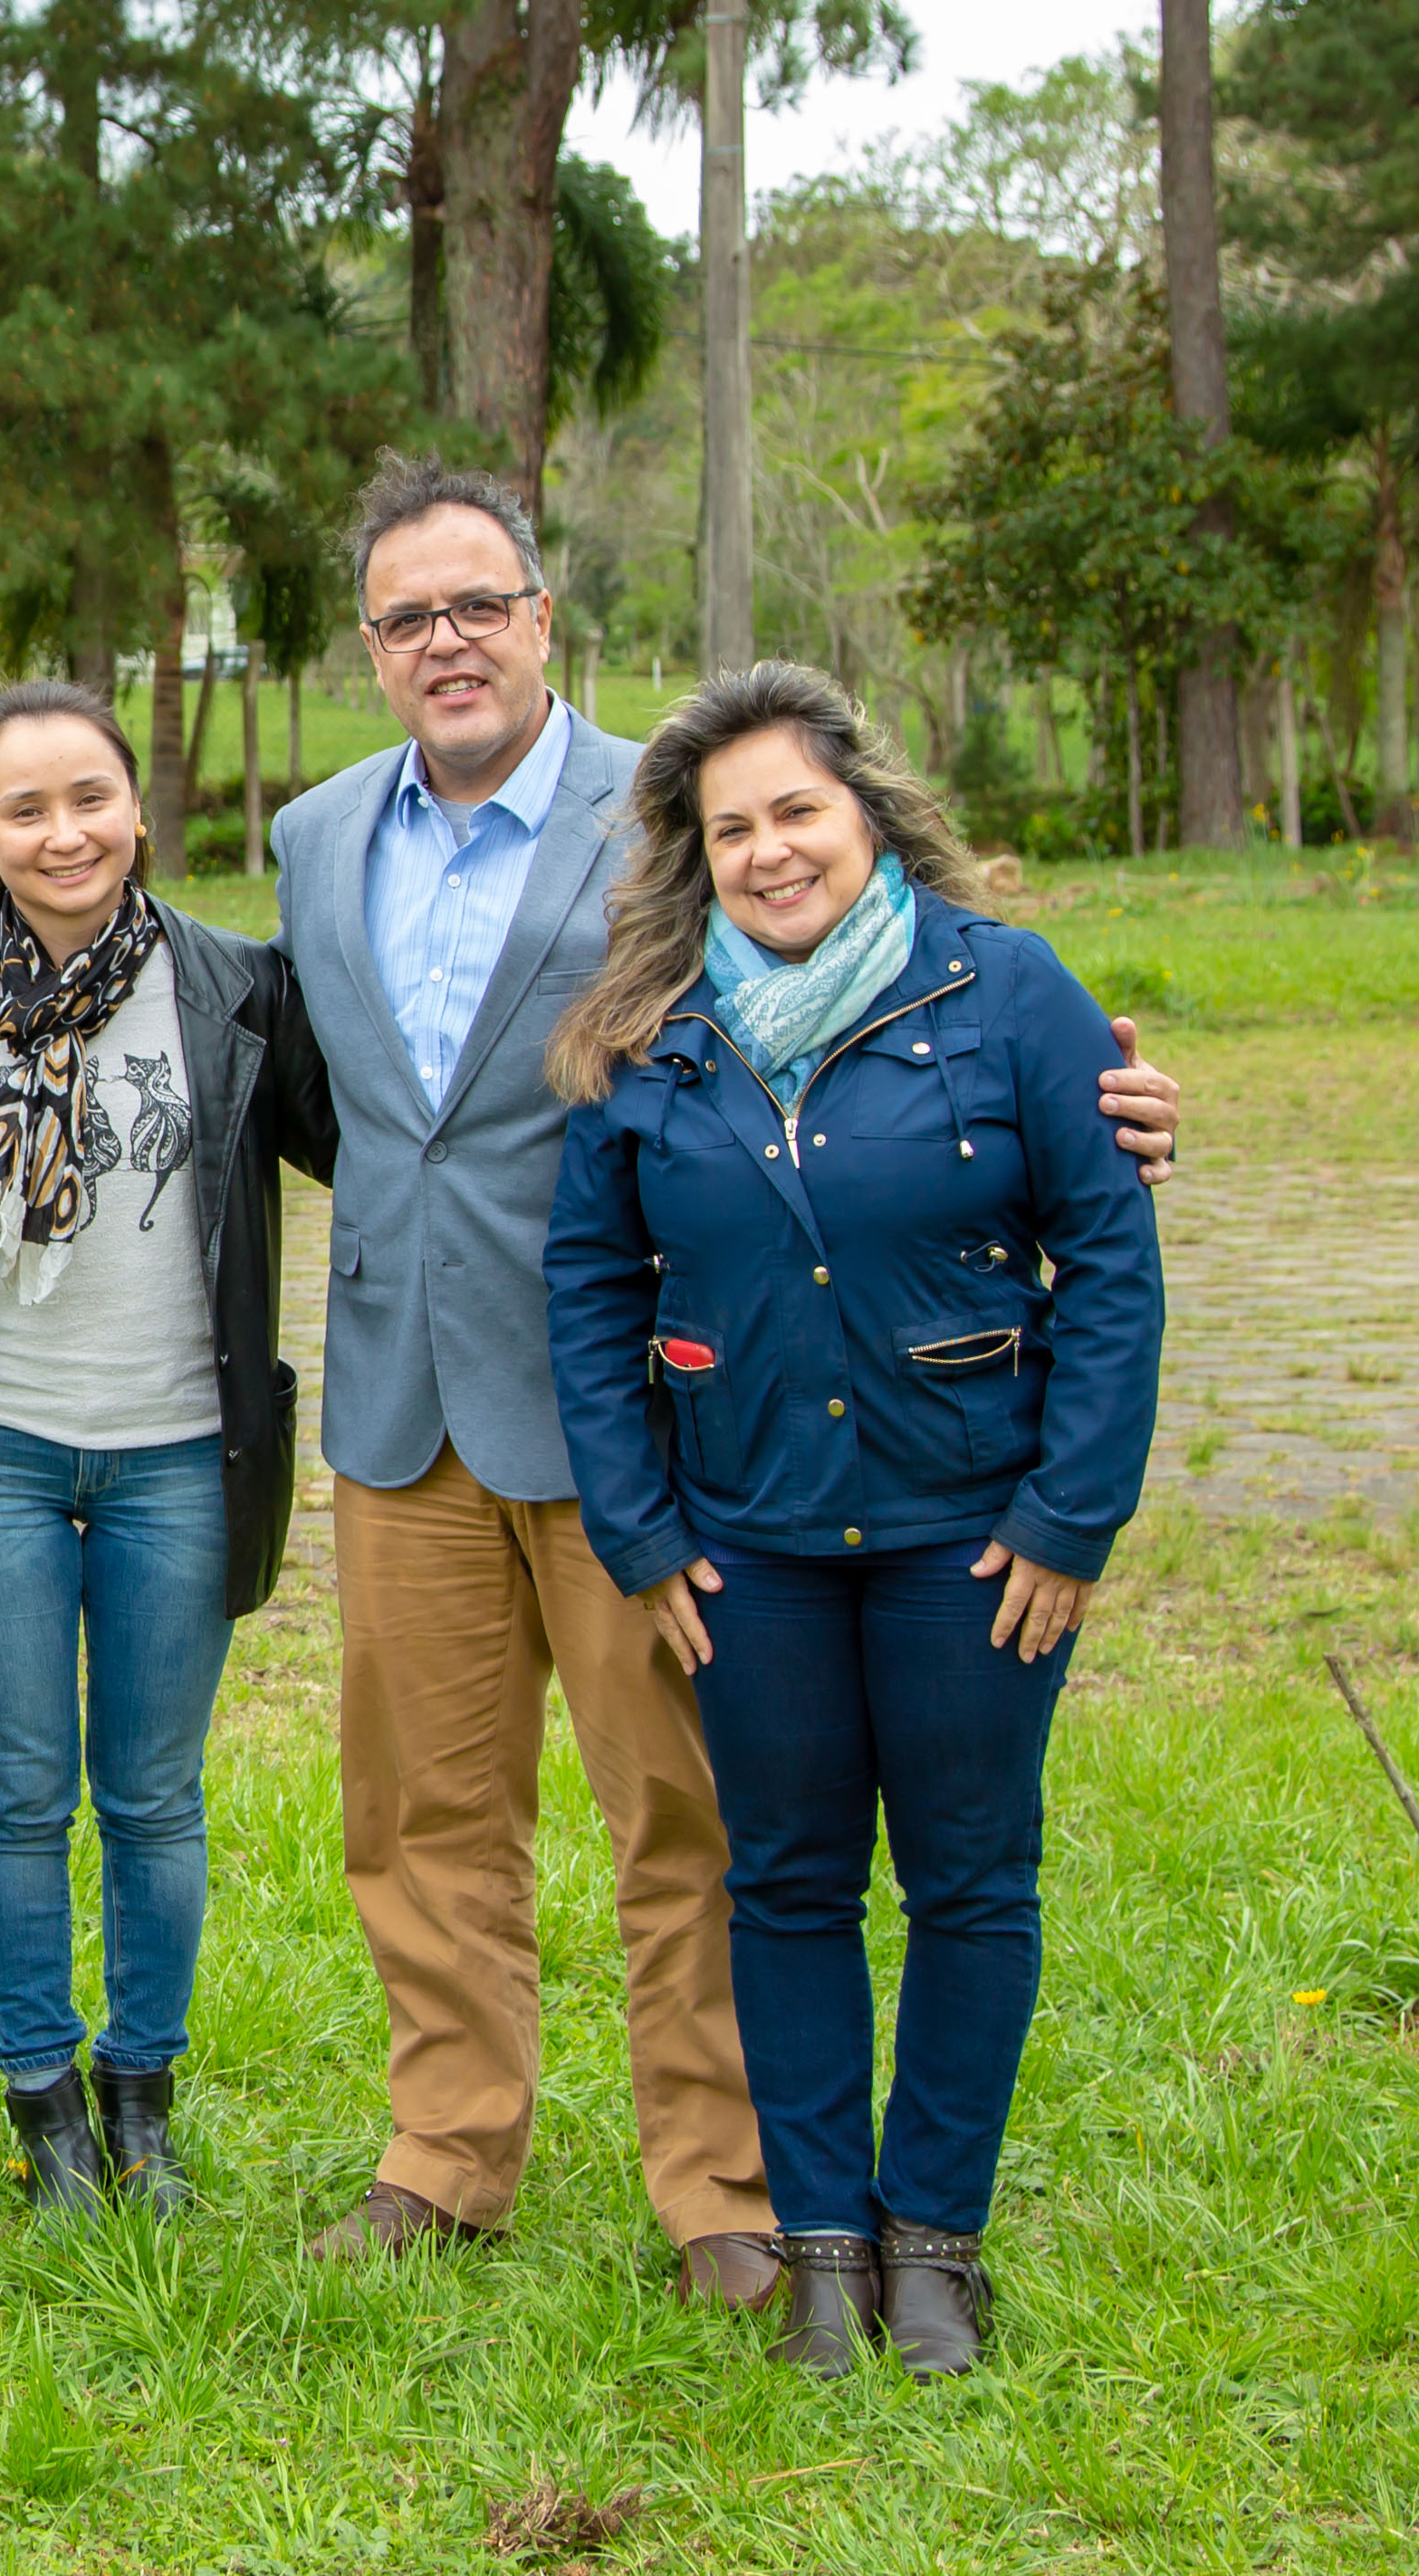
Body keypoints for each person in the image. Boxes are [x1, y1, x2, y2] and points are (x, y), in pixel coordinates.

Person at [270, 457, 1179, 2307]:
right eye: (403, 616)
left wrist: (1104, 1099)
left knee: (688, 1811)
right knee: (420, 1812)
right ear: (367, 646)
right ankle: (443, 2154)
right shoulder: (309, 836)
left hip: (652, 1416)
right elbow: (327, 1097)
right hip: (398, 1398)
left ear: (541, 614)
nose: (444, 641)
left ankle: (727, 2187)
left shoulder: (677, 808)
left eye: (476, 604)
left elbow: (882, 996)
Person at [544, 662, 1165, 2378]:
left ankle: (937, 2247)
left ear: (866, 812)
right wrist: (644, 1534)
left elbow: (1110, 1258)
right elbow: (587, 1291)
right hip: (746, 1547)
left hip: (974, 1543)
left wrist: (1070, 1515)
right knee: (790, 1885)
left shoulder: (1009, 993)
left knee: (970, 1885)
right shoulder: (648, 1030)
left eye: (795, 811)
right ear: (697, 855)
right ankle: (823, 2251)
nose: (768, 851)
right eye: (729, 827)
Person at [0, 684, 335, 2218]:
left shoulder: (239, 985)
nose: (64, 831)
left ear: (139, 810)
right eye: (24, 807)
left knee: (156, 1795)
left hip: (180, 1447)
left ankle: (142, 2101)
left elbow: (376, 1143)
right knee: (19, 1789)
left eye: (89, 796)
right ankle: (42, 2107)